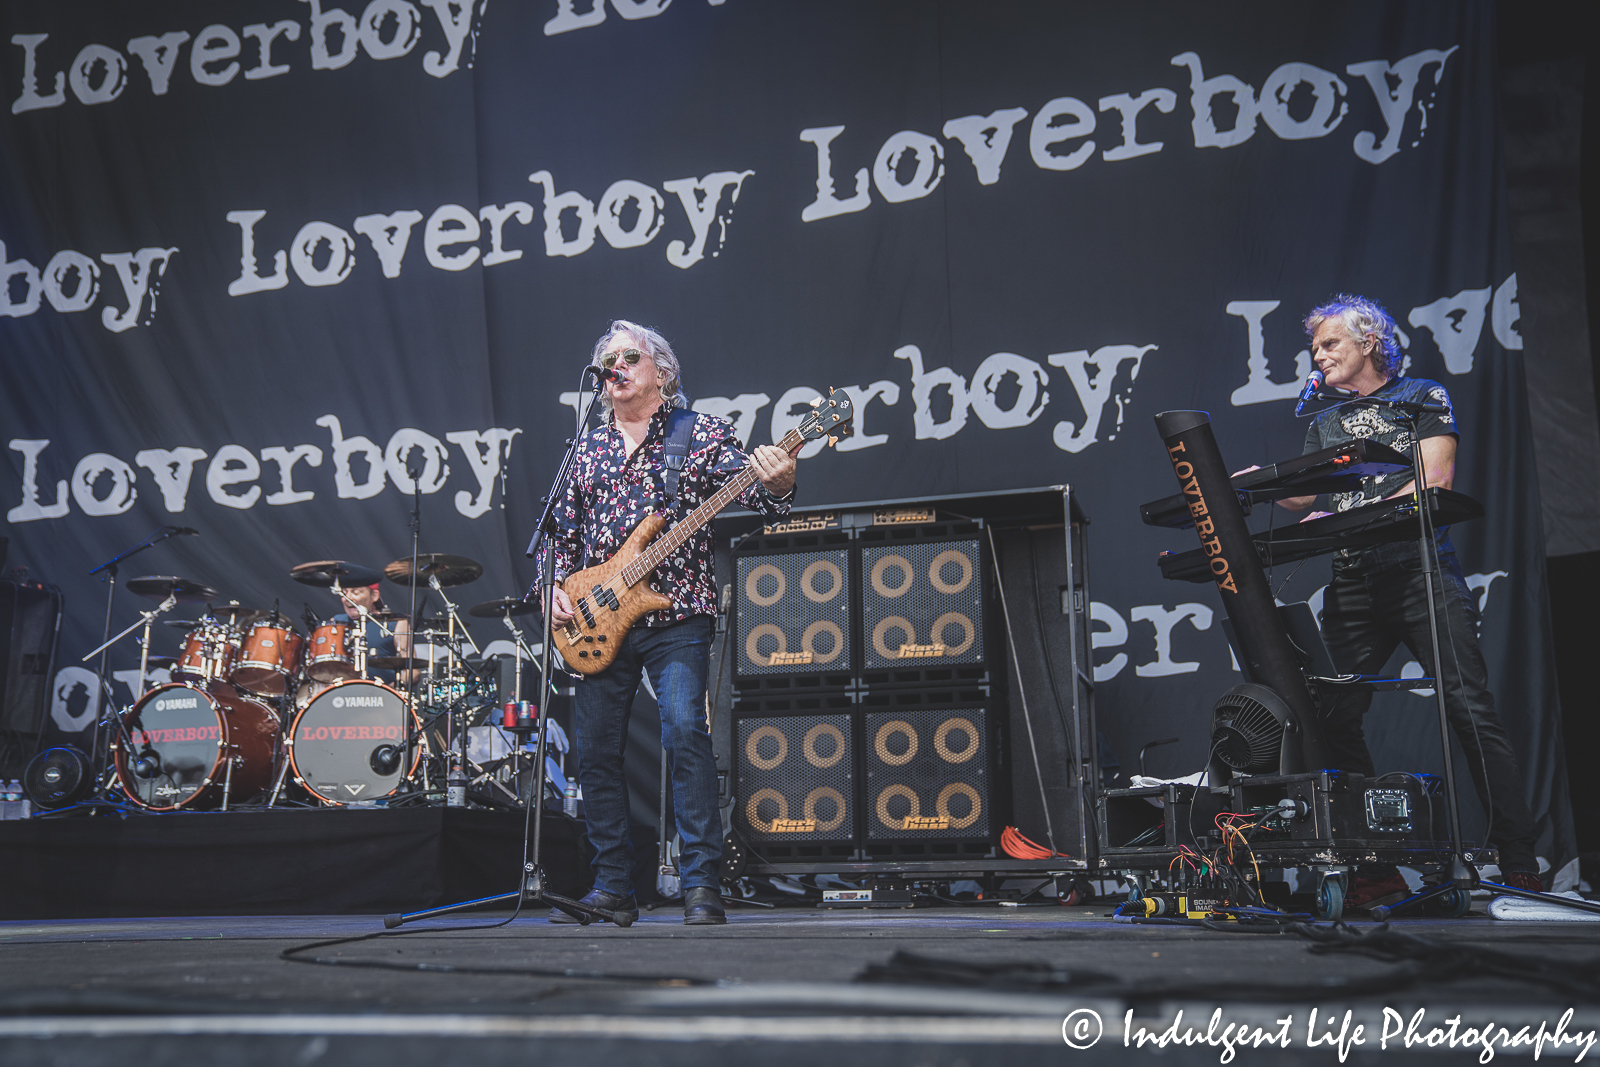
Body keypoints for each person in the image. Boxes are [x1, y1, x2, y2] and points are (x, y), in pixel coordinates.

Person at [1275, 294, 1541, 901]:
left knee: (1468, 709)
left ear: (1369, 341)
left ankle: (1518, 855)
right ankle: (1375, 860)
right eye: (1315, 347)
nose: (1318, 356)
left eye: (1329, 344)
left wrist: (1351, 511)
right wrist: (1257, 485)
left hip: (1420, 572)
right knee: (1333, 710)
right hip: (1354, 580)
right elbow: (1304, 498)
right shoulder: (1323, 422)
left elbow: (1434, 480)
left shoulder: (1421, 396)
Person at [539, 320, 796, 925]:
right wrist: (550, 587)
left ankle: (701, 882)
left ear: (662, 371)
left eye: (629, 358)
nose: (616, 369)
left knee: (685, 732)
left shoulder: (697, 433)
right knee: (596, 753)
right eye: (607, 362)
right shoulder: (587, 447)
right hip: (596, 618)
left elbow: (758, 494)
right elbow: (560, 537)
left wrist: (781, 478)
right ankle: (614, 887)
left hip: (677, 612)